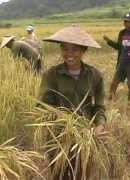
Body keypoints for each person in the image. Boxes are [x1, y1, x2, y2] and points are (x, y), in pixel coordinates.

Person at [40, 26, 107, 180]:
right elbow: (43, 106)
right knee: (59, 175)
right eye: (65, 49)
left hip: (85, 137)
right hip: (58, 137)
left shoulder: (95, 75)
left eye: (75, 50)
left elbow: (99, 107)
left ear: (84, 50)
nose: (69, 54)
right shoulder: (52, 75)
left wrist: (100, 126)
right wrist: (62, 121)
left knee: (81, 174)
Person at [103, 13, 130, 101]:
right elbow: (118, 47)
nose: (126, 23)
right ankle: (110, 101)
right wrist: (108, 41)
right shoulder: (122, 33)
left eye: (128, 21)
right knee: (114, 83)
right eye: (125, 21)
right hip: (122, 62)